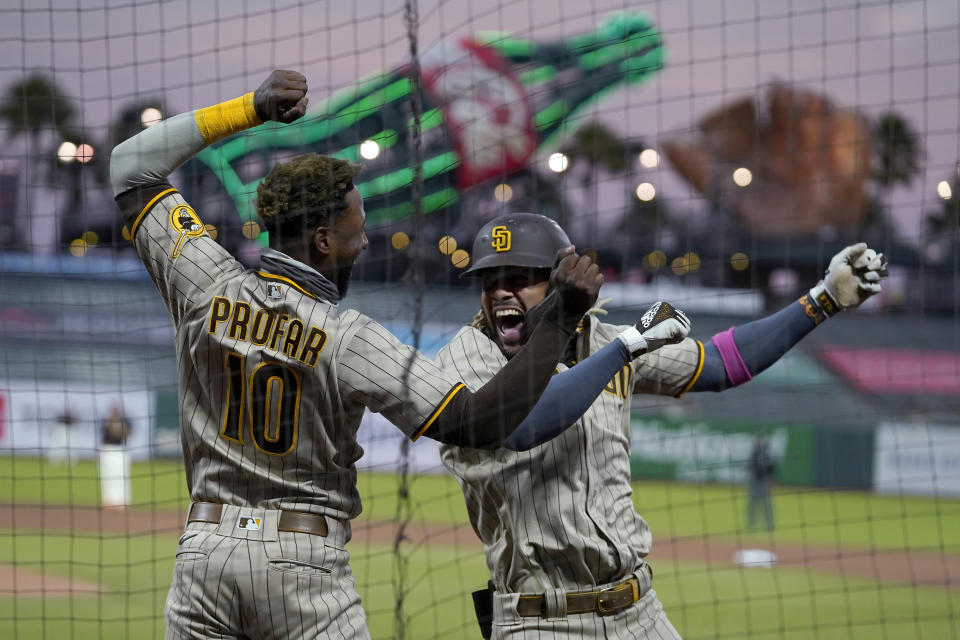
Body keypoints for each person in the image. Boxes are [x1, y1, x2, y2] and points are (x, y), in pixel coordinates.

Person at [109, 70, 613, 639]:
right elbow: (478, 422)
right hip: (300, 568)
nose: (367, 240)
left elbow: (130, 165)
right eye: (357, 227)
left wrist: (249, 109)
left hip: (203, 555)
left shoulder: (204, 281)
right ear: (323, 241)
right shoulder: (350, 338)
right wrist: (563, 318)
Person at [438, 213, 888, 639]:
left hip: (639, 611)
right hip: (540, 618)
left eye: (518, 279)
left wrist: (821, 300)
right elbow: (522, 426)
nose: (499, 293)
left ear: (562, 278)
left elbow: (721, 364)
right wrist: (626, 349)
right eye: (489, 282)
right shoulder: (467, 356)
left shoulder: (605, 340)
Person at [99, 405, 133, 508]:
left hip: (120, 450)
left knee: (122, 476)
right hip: (107, 449)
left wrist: (121, 430)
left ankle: (123, 501)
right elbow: (104, 436)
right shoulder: (106, 422)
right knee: (107, 476)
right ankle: (109, 500)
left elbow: (130, 433)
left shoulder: (124, 422)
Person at [746, 433, 778, 531]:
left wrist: (770, 480)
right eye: (758, 440)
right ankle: (751, 524)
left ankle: (769, 525)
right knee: (753, 503)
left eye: (760, 440)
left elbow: (772, 468)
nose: (759, 442)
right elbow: (749, 466)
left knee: (766, 504)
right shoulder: (755, 452)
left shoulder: (768, 452)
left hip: (764, 481)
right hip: (755, 481)